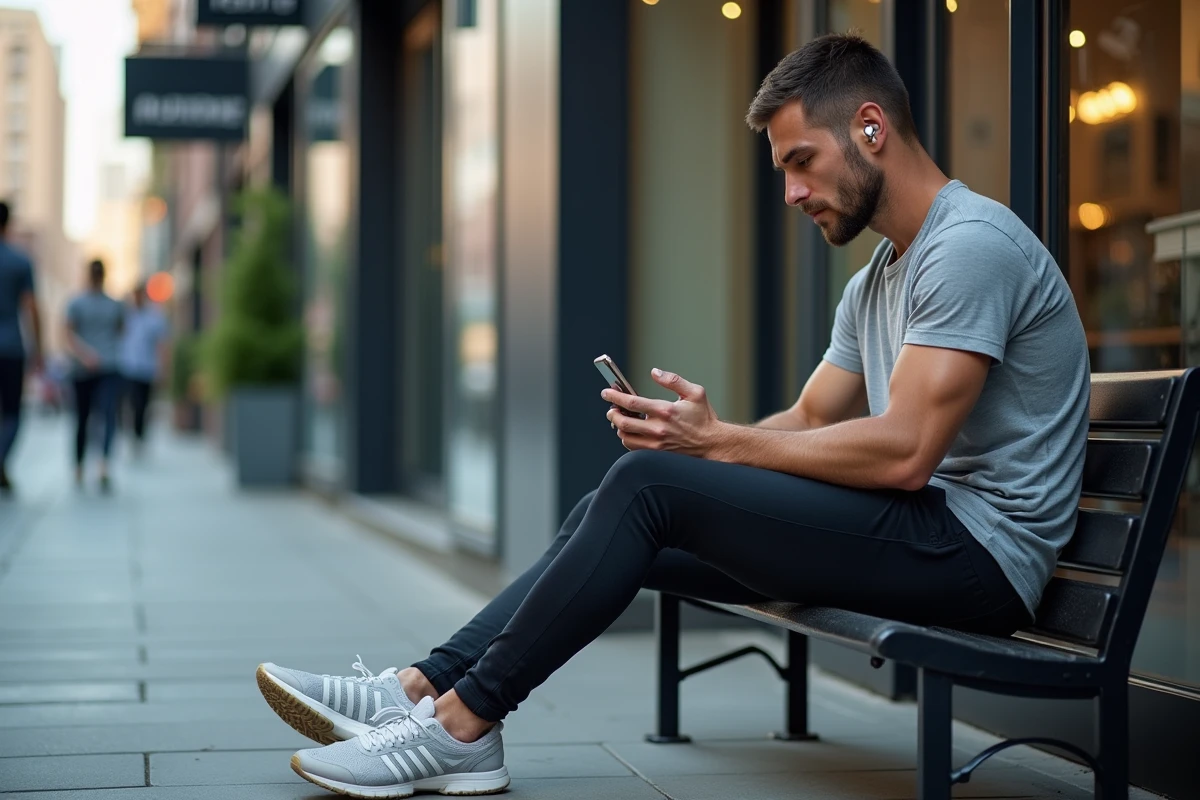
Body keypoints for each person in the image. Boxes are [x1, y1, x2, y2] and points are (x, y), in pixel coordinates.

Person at [255, 33, 1090, 798]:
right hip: (923, 532)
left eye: (802, 161)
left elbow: (908, 452)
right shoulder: (877, 278)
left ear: (870, 127)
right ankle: (414, 687)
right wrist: (706, 440)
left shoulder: (971, 245)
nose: (793, 192)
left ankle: (460, 726)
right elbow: (806, 416)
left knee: (652, 485)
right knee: (626, 497)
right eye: (783, 172)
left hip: (980, 559)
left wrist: (718, 448)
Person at [65, 259, 124, 492]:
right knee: (83, 418)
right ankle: (80, 465)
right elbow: (67, 334)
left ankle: (103, 465)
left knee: (107, 416)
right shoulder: (77, 303)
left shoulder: (114, 304)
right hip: (83, 369)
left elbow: (120, 330)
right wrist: (86, 355)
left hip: (107, 368)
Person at [0, 201, 41, 495]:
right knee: (13, 413)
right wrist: (39, 348)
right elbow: (31, 307)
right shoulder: (20, 261)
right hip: (11, 347)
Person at [119, 281, 169, 455]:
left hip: (147, 368)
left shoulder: (155, 316)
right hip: (128, 367)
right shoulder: (126, 315)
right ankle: (130, 433)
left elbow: (161, 344)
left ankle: (139, 436)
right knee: (130, 402)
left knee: (143, 405)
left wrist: (163, 368)